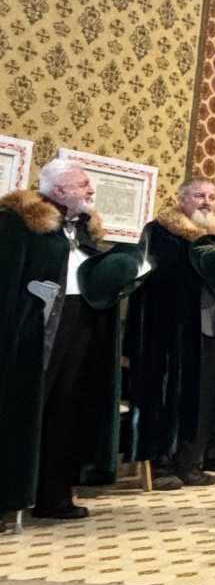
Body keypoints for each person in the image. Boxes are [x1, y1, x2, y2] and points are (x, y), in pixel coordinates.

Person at [0, 159, 144, 522]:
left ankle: (55, 495)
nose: (91, 190)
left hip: (81, 326)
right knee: (19, 413)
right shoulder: (18, 223)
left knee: (68, 409)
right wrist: (32, 292)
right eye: (83, 184)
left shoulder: (83, 229)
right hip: (34, 331)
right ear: (60, 189)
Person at [127, 176, 215, 490]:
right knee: (167, 396)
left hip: (207, 328)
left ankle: (189, 463)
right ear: (182, 199)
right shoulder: (160, 231)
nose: (206, 201)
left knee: (200, 398)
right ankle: (162, 464)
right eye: (198, 195)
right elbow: (152, 275)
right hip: (169, 329)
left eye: (211, 196)